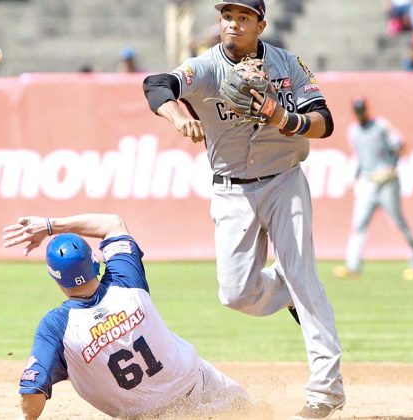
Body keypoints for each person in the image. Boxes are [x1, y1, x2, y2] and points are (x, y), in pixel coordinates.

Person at [142, 1, 345, 418]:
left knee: (304, 276)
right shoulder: (205, 68)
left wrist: (286, 119)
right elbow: (156, 84)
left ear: (260, 25)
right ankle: (284, 290)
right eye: (227, 16)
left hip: (284, 180)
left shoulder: (287, 65)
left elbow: (324, 120)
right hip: (231, 190)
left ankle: (326, 390)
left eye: (243, 18)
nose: (233, 24)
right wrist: (177, 117)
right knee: (235, 293)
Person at [1, 213, 251, 420]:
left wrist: (27, 416)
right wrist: (48, 226)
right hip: (202, 385)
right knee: (254, 413)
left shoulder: (55, 327)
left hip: (150, 417)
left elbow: (32, 393)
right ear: (94, 262)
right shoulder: (125, 280)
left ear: (55, 277)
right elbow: (112, 223)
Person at [333, 97, 413, 281]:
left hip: (386, 180)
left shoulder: (381, 125)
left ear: (367, 109)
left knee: (397, 221)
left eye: (362, 109)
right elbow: (360, 156)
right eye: (357, 111)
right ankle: (353, 265)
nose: (360, 113)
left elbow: (399, 144)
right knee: (359, 224)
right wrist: (355, 176)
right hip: (367, 181)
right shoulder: (354, 131)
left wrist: (392, 165)